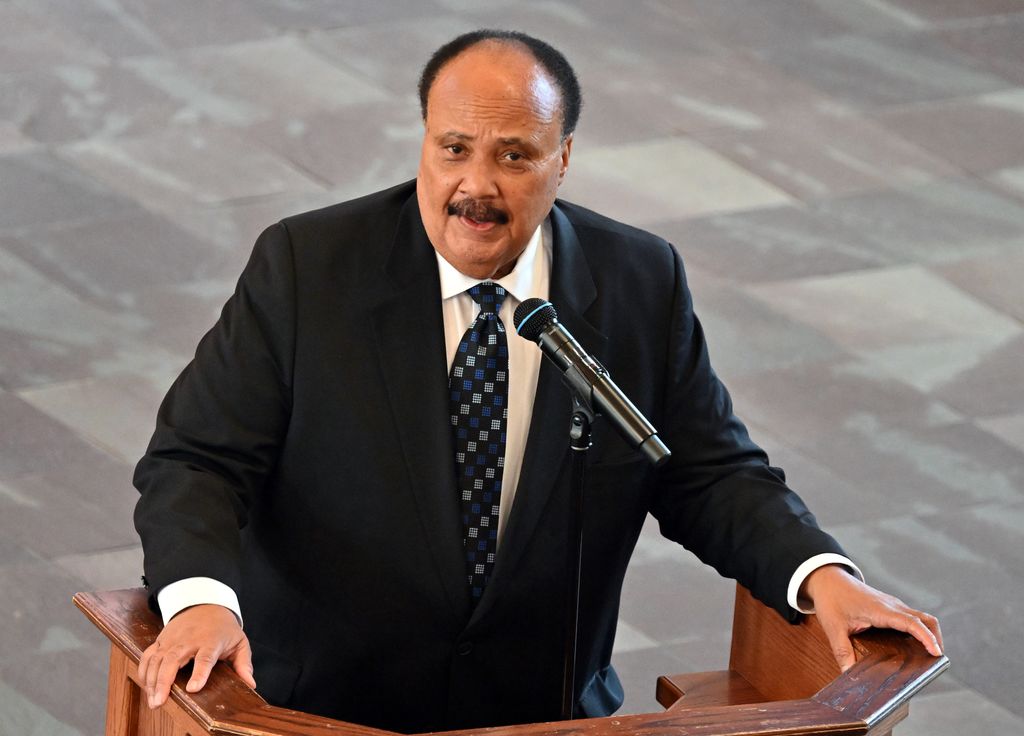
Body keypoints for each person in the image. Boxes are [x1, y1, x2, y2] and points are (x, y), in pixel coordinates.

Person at [133, 29, 942, 733]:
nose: (475, 186)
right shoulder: (309, 268)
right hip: (321, 716)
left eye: (513, 156)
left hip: (546, 718)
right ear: (423, 140)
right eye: (454, 149)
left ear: (563, 159)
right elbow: (196, 460)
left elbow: (707, 472)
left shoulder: (638, 282)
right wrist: (202, 599)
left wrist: (821, 574)